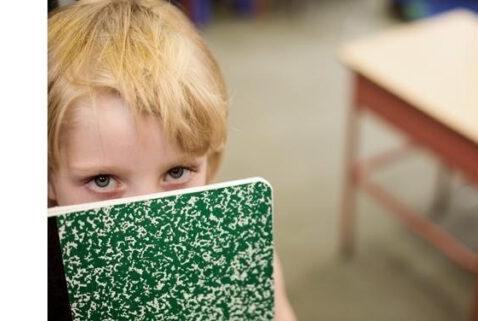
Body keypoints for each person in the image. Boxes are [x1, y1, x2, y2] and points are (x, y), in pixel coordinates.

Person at [47, 0, 297, 319]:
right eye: (103, 180)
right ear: (47, 176)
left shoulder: (241, 257)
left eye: (176, 172)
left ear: (209, 158)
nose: (147, 220)